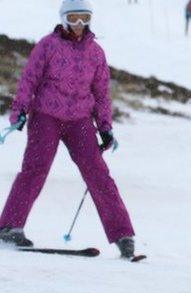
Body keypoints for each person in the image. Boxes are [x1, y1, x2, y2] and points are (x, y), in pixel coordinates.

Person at [0, 0, 139, 259]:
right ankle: (10, 226)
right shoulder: (48, 46)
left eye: (84, 18)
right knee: (35, 168)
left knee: (98, 173)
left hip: (80, 121)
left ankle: (123, 235)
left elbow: (101, 93)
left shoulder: (96, 52)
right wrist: (19, 111)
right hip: (46, 116)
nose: (79, 25)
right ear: (64, 19)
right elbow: (29, 80)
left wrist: (105, 127)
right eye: (74, 18)